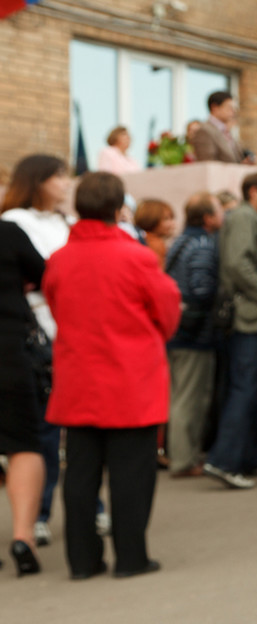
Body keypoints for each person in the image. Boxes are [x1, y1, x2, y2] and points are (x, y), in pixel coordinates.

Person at [43, 171, 181, 580]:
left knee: (80, 475)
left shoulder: (59, 259)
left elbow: (55, 306)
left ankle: (82, 562)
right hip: (130, 379)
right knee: (131, 475)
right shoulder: (137, 256)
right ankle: (131, 557)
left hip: (78, 379)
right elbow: (167, 311)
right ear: (119, 208)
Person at [1, 154, 72, 548]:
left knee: (63, 426)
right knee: (36, 432)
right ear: (36, 181)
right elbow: (49, 276)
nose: (65, 183)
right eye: (58, 176)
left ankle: (83, 506)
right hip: (31, 339)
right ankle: (35, 520)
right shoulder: (14, 224)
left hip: (56, 334)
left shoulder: (61, 222)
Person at [204, 173, 257, 489]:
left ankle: (250, 458)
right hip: (248, 318)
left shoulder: (250, 217)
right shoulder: (242, 217)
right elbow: (238, 264)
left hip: (255, 316)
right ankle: (224, 461)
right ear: (254, 192)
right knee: (245, 388)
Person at [164, 192, 224, 478]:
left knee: (179, 396)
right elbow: (201, 291)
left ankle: (181, 456)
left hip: (176, 331)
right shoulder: (202, 244)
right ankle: (184, 460)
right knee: (190, 399)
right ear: (208, 218)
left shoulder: (180, 241)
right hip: (193, 335)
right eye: (219, 211)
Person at [0, 220, 47, 575]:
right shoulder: (8, 232)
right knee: (23, 444)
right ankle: (23, 538)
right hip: (7, 349)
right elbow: (43, 277)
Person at [191, 91, 249, 164]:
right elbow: (208, 164)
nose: (233, 111)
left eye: (234, 108)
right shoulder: (204, 130)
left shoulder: (226, 131)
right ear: (214, 107)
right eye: (229, 107)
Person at [132, 198, 177, 268]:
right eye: (166, 219)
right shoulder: (156, 244)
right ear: (152, 219)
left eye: (171, 218)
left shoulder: (138, 237)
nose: (172, 224)